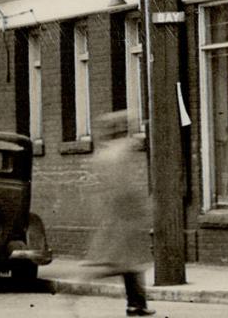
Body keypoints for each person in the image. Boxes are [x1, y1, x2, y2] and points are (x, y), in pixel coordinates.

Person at [86, 110, 156, 316]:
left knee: (128, 261)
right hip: (124, 214)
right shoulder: (117, 152)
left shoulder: (103, 152)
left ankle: (136, 303)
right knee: (120, 261)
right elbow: (123, 186)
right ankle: (72, 294)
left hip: (116, 214)